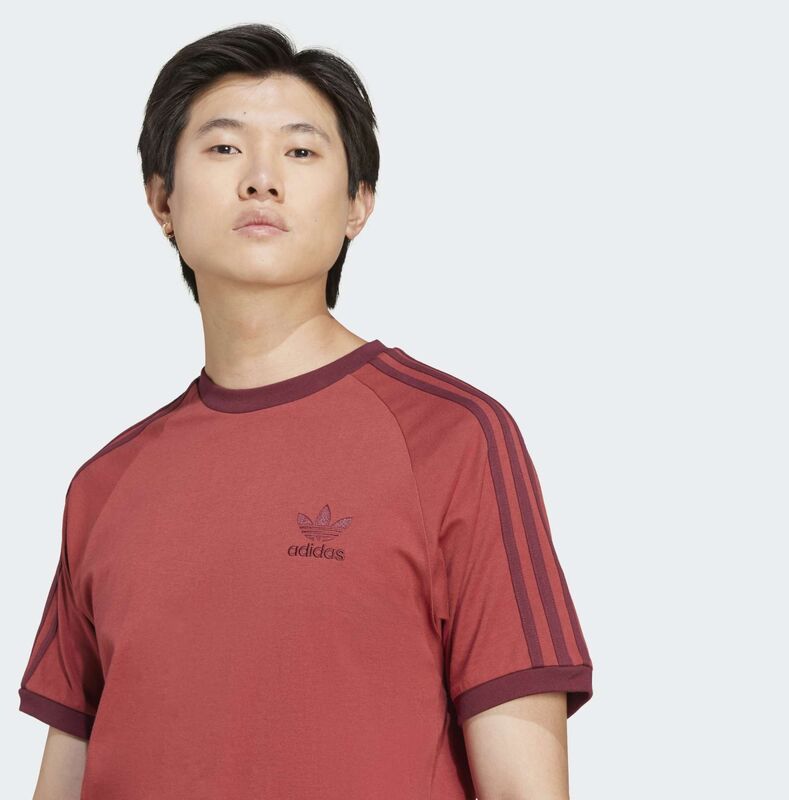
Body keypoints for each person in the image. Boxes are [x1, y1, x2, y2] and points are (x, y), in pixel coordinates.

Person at [17, 23, 593, 800]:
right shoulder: (103, 485)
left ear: (358, 205)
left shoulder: (455, 440)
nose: (261, 180)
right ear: (162, 200)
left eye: (300, 151)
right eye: (224, 148)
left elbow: (527, 788)